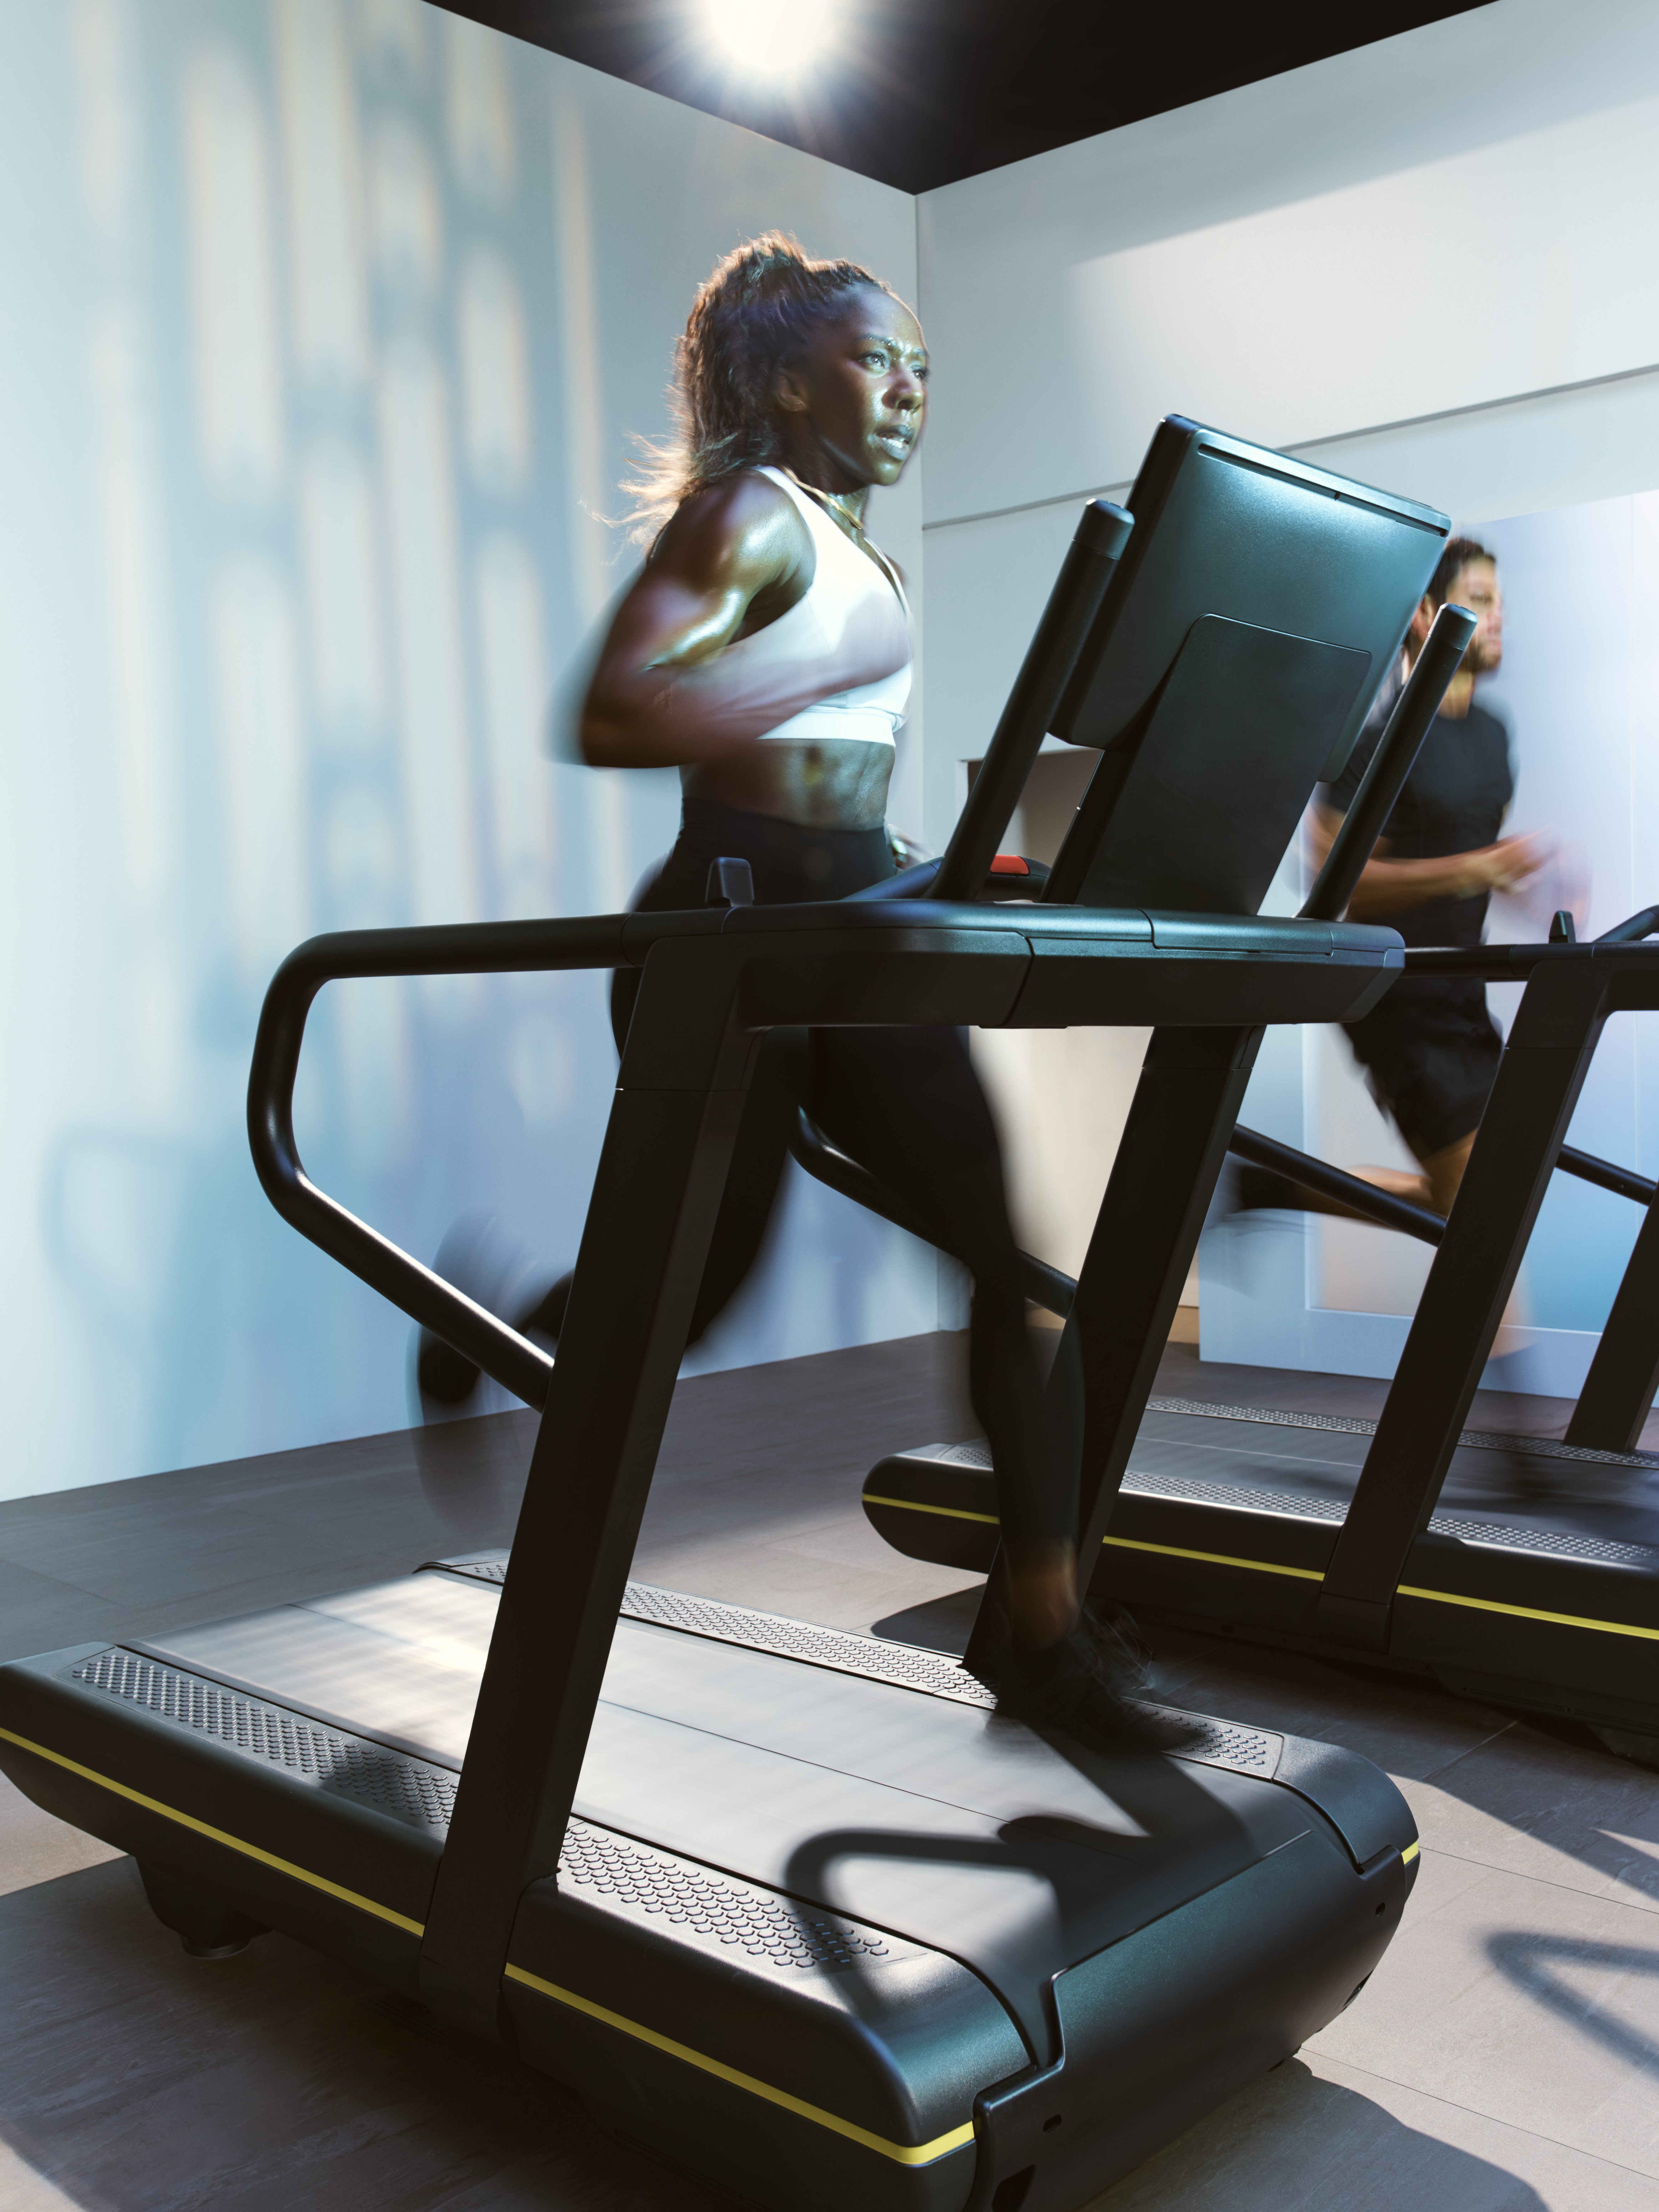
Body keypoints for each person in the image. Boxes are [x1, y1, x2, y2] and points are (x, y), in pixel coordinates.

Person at [417, 234, 1168, 1745]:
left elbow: (832, 784)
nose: (905, 390)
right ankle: (485, 1323)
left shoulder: (862, 552)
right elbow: (616, 709)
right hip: (727, 929)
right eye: (874, 359)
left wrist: (939, 863)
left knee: (1011, 1266)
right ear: (777, 377)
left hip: (848, 921)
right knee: (696, 1292)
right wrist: (816, 653)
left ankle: (1042, 1634)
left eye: (921, 371)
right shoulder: (749, 514)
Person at [1302, 537, 1548, 1219]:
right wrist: (1474, 869)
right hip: (1397, 999)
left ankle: (1272, 1185)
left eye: (1500, 603)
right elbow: (1335, 883)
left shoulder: (1495, 735)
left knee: (1475, 1201)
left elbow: (1467, 863)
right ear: (1426, 615)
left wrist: (1520, 886)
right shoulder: (1378, 740)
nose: (1498, 617)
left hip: (1463, 996)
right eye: (1479, 601)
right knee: (1484, 1213)